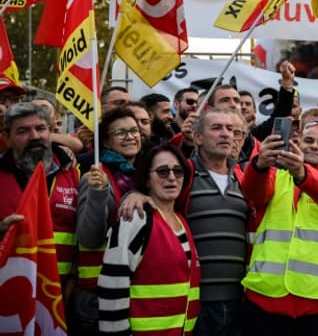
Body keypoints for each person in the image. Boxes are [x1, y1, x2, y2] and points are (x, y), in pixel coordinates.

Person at [119, 108, 250, 336]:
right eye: (217, 128)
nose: (226, 134)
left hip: (238, 302)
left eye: (231, 129)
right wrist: (135, 194)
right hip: (194, 304)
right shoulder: (182, 173)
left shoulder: (243, 178)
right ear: (197, 137)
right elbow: (158, 196)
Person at [239, 119, 318, 336]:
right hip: (263, 299)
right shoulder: (275, 177)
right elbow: (252, 194)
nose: (313, 146)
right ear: (297, 144)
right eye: (308, 140)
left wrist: (302, 173)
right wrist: (260, 164)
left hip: (315, 307)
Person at [97, 144, 200, 336]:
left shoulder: (181, 221)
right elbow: (112, 283)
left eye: (178, 171)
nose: (171, 177)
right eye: (162, 171)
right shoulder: (136, 219)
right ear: (146, 180)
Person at [0, 103, 80, 301]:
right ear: (6, 137)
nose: (34, 136)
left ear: (51, 131)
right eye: (23, 131)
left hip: (61, 297)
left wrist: (73, 282)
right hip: (9, 296)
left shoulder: (75, 173)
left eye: (41, 128)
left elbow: (84, 238)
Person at [74, 108, 144, 334]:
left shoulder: (144, 177)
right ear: (105, 140)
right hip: (98, 293)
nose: (131, 137)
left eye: (134, 130)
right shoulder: (94, 177)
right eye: (121, 132)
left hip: (132, 288)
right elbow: (89, 238)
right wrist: (98, 193)